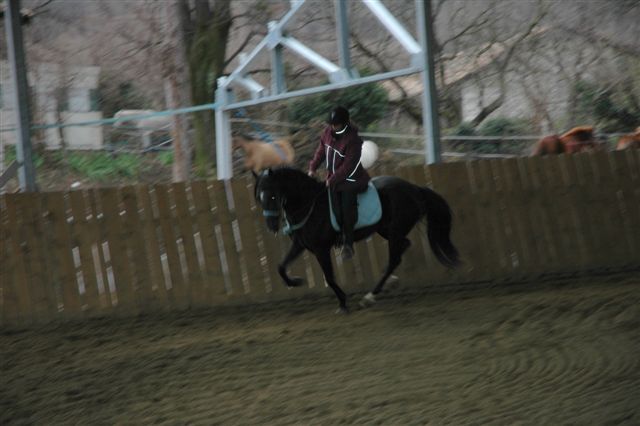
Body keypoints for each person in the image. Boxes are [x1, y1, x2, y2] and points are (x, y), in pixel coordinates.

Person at [308, 106, 370, 260]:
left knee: (346, 209)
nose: (333, 127)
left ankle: (348, 244)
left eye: (336, 124)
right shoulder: (327, 132)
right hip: (333, 178)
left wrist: (332, 180)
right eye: (331, 124)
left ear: (345, 123)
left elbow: (348, 167)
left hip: (351, 180)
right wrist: (312, 168)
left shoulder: (353, 140)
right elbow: (321, 151)